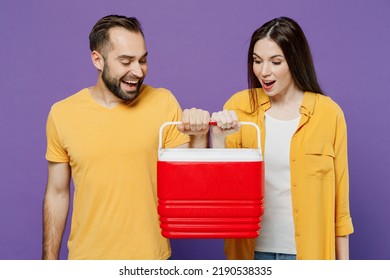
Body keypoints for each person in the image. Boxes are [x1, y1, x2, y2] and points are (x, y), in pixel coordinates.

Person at [42, 15, 210, 260]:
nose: (138, 71)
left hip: (151, 262)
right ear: (97, 60)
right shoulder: (62, 113)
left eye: (142, 60)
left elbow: (187, 184)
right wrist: (47, 264)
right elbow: (57, 194)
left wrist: (200, 137)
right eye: (126, 61)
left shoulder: (163, 103)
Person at [210, 17, 354, 260]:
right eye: (257, 61)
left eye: (276, 62)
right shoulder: (239, 107)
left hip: (310, 255)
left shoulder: (328, 114)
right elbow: (221, 190)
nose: (264, 71)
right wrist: (218, 139)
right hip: (251, 254)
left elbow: (340, 209)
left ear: (295, 61)